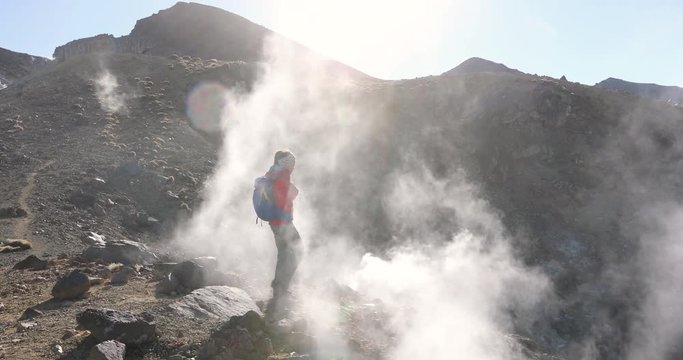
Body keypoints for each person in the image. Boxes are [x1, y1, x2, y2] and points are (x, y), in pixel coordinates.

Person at [265, 150, 303, 318]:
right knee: (298, 251)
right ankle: (281, 290)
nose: (293, 166)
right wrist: (293, 193)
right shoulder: (282, 175)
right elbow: (282, 199)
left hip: (275, 221)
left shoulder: (273, 173)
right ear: (285, 163)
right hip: (282, 222)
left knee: (283, 254)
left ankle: (278, 288)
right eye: (291, 163)